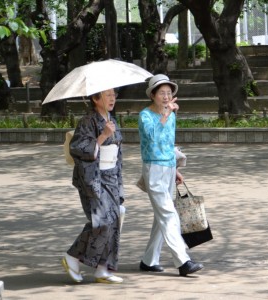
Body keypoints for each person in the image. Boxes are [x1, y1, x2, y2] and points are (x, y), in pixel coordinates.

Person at [138, 74, 204, 276]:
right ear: (153, 95)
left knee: (162, 217)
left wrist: (176, 168)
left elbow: (168, 144)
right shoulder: (145, 116)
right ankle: (183, 261)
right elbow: (152, 138)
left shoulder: (172, 115)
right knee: (168, 214)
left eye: (169, 93)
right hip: (154, 170)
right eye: (162, 93)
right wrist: (165, 116)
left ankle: (149, 261)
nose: (166, 97)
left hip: (168, 168)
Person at [63, 89, 125, 284]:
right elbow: (79, 149)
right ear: (95, 99)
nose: (112, 98)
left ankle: (102, 268)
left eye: (114, 94)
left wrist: (119, 182)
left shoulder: (111, 118)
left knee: (115, 219)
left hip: (112, 175)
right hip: (94, 177)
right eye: (108, 95)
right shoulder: (87, 121)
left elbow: (118, 152)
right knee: (102, 221)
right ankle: (72, 256)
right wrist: (103, 136)